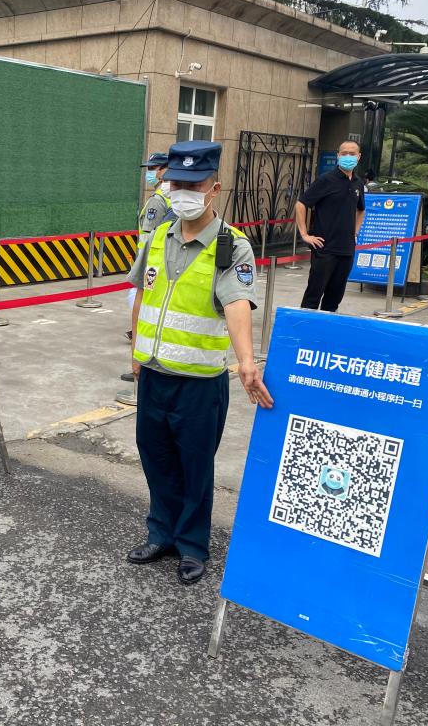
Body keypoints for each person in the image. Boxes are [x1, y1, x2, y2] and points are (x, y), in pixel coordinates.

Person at [126, 141, 274, 585]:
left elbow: (238, 304)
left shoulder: (231, 246)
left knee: (194, 465)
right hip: (154, 374)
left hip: (199, 382)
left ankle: (192, 545)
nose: (183, 193)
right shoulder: (157, 237)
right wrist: (135, 351)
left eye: (194, 185)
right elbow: (142, 294)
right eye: (177, 184)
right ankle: (161, 533)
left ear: (215, 188)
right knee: (155, 457)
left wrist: (246, 361)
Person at [122, 152, 175, 381]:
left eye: (154, 168)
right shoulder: (168, 197)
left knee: (143, 315)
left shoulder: (158, 200)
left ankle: (141, 365)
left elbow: (149, 237)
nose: (150, 173)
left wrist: (142, 266)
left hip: (150, 267)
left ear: (165, 170)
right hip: (158, 265)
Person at [297, 139, 366, 313]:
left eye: (352, 154)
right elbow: (301, 204)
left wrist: (355, 232)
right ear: (338, 156)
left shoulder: (358, 183)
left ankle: (325, 328)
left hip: (346, 250)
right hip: (324, 249)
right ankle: (306, 327)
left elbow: (361, 209)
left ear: (359, 157)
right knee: (313, 296)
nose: (348, 157)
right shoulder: (326, 180)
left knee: (334, 298)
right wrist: (304, 234)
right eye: (344, 153)